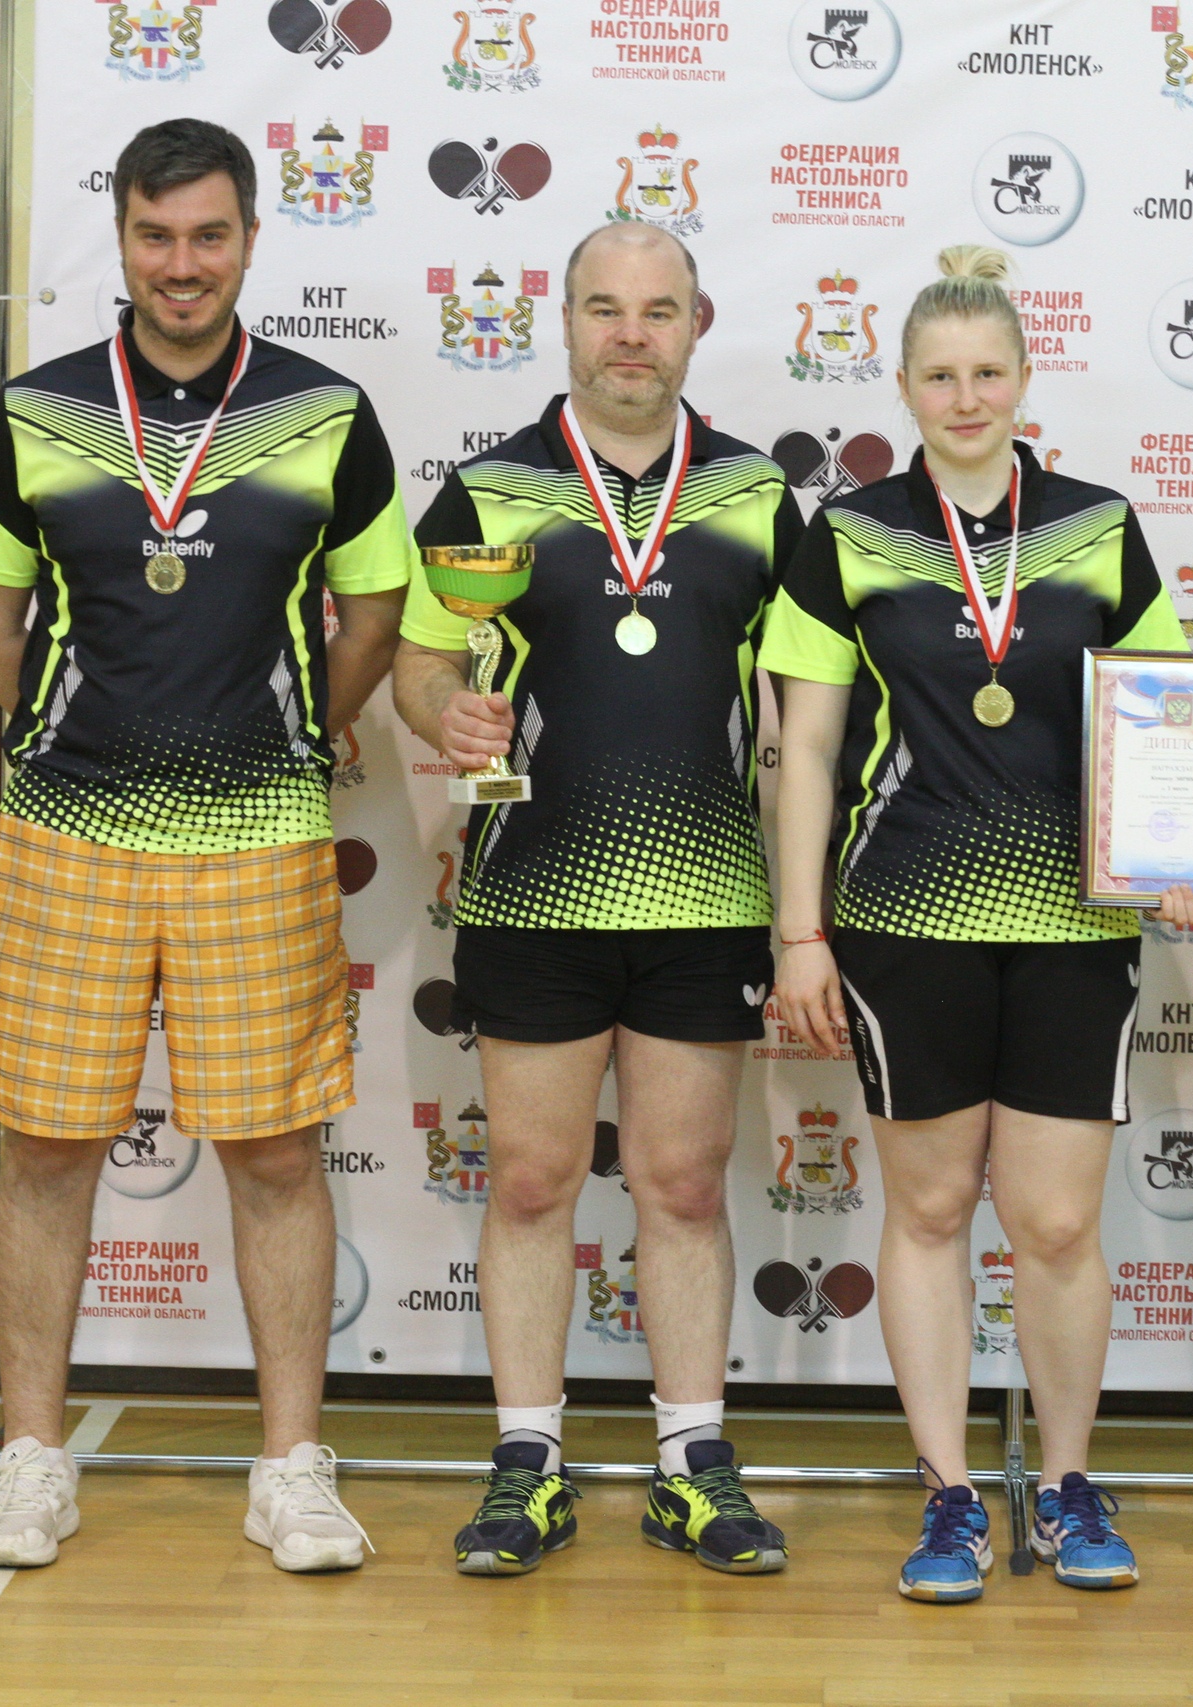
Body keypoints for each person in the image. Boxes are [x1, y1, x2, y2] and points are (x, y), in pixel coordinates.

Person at [0, 118, 409, 1572]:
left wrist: (297, 732)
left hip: (261, 832)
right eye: (156, 236)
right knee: (46, 1147)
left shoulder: (328, 413)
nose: (183, 264)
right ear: (124, 240)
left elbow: (374, 618)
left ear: (252, 238)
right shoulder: (34, 412)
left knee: (274, 1152)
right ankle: (32, 1458)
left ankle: (292, 1469)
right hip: (67, 831)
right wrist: (71, 731)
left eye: (210, 234)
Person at [762, 245, 1193, 1603]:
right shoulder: (848, 533)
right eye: (941, 376)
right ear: (903, 385)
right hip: (903, 919)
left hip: (1077, 926)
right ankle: (951, 1497)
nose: (966, 398)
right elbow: (806, 749)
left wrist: (1179, 852)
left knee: (1059, 1223)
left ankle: (1068, 1485)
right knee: (930, 1208)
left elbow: (1167, 711)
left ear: (1025, 378)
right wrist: (799, 936)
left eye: (988, 374)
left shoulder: (1099, 524)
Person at [392, 222, 801, 1578]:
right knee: (529, 1180)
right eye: (606, 308)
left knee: (681, 1181)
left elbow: (812, 701)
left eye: (659, 310)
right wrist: (445, 713)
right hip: (532, 892)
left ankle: (693, 1462)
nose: (632, 334)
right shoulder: (489, 488)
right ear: (563, 321)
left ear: (698, 324)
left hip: (708, 894)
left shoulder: (757, 493)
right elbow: (419, 663)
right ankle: (528, 1461)